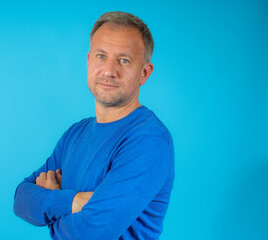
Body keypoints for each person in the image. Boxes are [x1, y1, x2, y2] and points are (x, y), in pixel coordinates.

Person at [14, 11, 174, 240]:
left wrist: (50, 208)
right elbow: (21, 199)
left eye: (124, 60)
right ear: (89, 61)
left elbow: (89, 233)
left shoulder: (149, 141)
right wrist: (74, 201)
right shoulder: (75, 134)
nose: (109, 71)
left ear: (144, 73)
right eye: (101, 56)